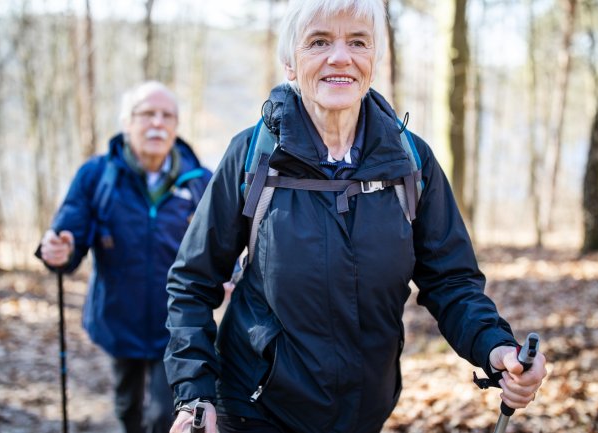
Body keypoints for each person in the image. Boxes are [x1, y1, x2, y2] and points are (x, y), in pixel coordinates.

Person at [164, 0, 547, 432]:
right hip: (256, 407)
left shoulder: (410, 161)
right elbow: (192, 282)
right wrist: (194, 393)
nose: (340, 56)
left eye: (357, 42)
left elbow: (452, 281)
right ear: (290, 64)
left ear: (372, 62)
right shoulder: (255, 157)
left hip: (365, 411)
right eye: (319, 41)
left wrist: (496, 349)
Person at [37, 81, 211, 433]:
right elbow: (70, 230)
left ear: (177, 126)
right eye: (147, 114)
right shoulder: (98, 175)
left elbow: (221, 245)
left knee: (166, 416)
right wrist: (59, 249)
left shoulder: (201, 182)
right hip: (118, 316)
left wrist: (231, 273)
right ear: (126, 123)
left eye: (167, 116)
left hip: (177, 324)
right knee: (126, 407)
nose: (157, 123)